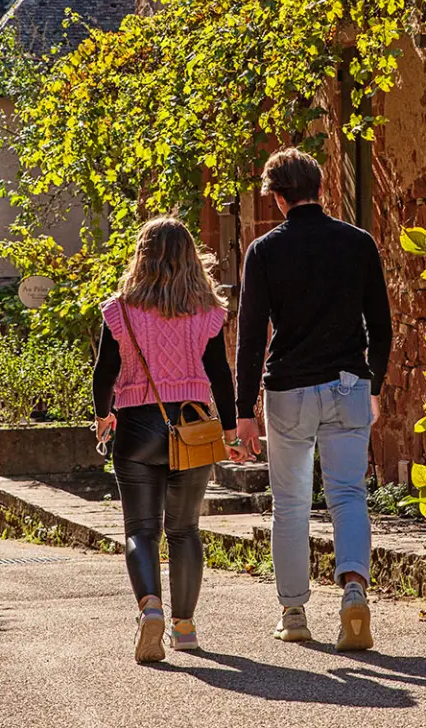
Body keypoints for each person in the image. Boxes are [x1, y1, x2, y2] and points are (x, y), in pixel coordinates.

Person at [236, 148, 392, 651]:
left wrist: (243, 411)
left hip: (289, 389)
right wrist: (374, 386)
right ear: (321, 188)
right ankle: (354, 592)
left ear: (278, 198)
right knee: (348, 494)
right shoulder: (358, 243)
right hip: (349, 384)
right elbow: (382, 327)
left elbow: (250, 336)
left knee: (290, 504)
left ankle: (294, 612)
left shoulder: (263, 251)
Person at [92, 216, 247, 664]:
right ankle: (184, 628)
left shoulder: (120, 311)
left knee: (141, 530)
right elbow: (220, 375)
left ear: (142, 257)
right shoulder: (207, 313)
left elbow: (104, 373)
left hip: (137, 428)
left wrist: (103, 416)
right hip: (193, 428)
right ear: (191, 259)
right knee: (184, 530)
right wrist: (231, 430)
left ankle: (150, 609)